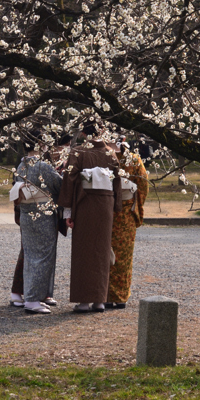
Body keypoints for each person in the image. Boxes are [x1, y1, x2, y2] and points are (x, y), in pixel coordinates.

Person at [56, 133, 123, 313]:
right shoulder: (110, 152)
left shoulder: (78, 152)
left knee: (83, 251)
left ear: (85, 134)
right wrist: (116, 205)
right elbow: (118, 179)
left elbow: (69, 179)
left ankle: (84, 301)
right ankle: (99, 300)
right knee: (101, 250)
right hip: (105, 205)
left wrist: (67, 211)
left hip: (84, 203)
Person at [10, 135, 63, 314]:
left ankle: (33, 296)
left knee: (31, 256)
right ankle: (32, 300)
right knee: (42, 256)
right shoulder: (42, 166)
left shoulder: (21, 165)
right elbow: (59, 185)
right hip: (42, 216)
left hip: (26, 215)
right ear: (40, 144)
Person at [105, 143, 148, 308]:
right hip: (126, 210)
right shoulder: (134, 159)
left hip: (108, 209)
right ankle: (120, 296)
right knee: (122, 255)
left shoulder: (104, 157)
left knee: (111, 253)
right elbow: (143, 185)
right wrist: (137, 207)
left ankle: (108, 295)